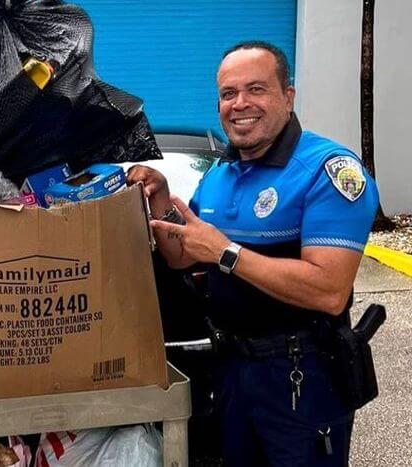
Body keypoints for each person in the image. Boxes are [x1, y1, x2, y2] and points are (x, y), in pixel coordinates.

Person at [127, 41, 379, 466]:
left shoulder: (328, 169)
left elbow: (329, 291)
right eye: (228, 93)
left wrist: (225, 252)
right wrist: (161, 198)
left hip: (302, 380)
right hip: (231, 373)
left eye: (256, 89)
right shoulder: (223, 173)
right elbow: (182, 257)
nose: (240, 104)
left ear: (288, 96)